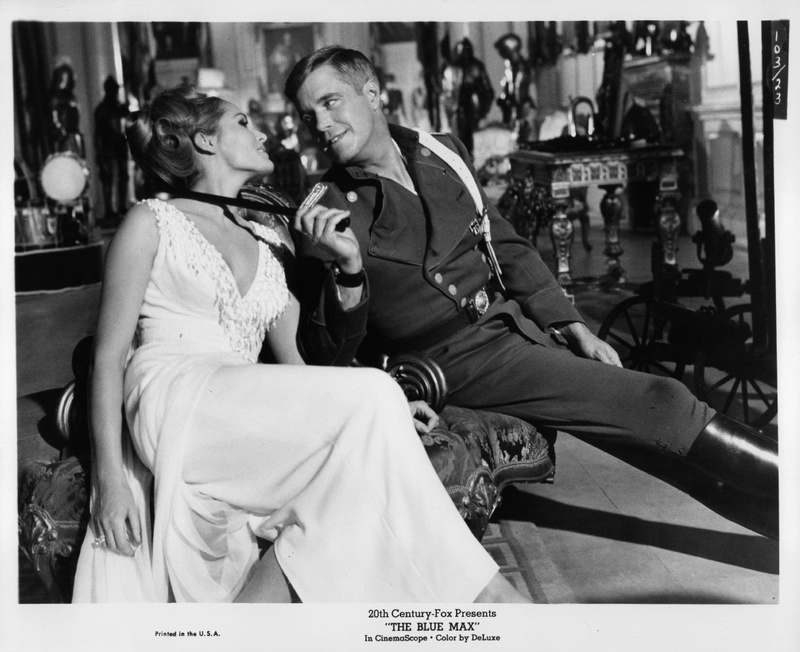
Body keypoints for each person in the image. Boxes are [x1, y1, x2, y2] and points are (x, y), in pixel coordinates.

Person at [285, 46, 778, 539]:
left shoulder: (440, 152)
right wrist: (349, 269)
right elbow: (326, 354)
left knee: (649, 436)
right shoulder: (326, 213)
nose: (320, 125)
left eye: (331, 102)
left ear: (372, 93)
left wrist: (573, 326)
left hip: (511, 327)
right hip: (454, 362)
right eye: (309, 115)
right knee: (664, 397)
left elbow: (504, 243)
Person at [72, 84, 528, 603]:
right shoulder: (150, 221)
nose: (262, 132)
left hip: (238, 403)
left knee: (355, 470)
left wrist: (349, 269)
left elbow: (303, 367)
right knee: (372, 407)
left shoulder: (267, 238)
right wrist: (109, 479)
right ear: (204, 141)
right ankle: (490, 596)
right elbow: (108, 357)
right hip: (174, 398)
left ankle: (251, 619)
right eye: (243, 122)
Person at [94, 76, 130, 222]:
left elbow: (128, 127)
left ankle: (122, 206)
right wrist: (99, 152)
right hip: (107, 147)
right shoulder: (101, 109)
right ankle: (109, 209)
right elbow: (98, 133)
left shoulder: (121, 108)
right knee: (107, 178)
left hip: (120, 145)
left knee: (123, 176)